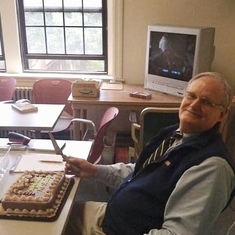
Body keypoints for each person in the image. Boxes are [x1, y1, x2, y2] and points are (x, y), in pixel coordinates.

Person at [64, 72, 235, 235]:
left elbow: (176, 232)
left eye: (206, 102)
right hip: (113, 216)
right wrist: (94, 170)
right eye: (191, 96)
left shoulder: (212, 167)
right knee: (58, 211)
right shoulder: (176, 135)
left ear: (221, 114)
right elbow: (140, 171)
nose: (194, 104)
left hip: (116, 230)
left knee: (49, 225)